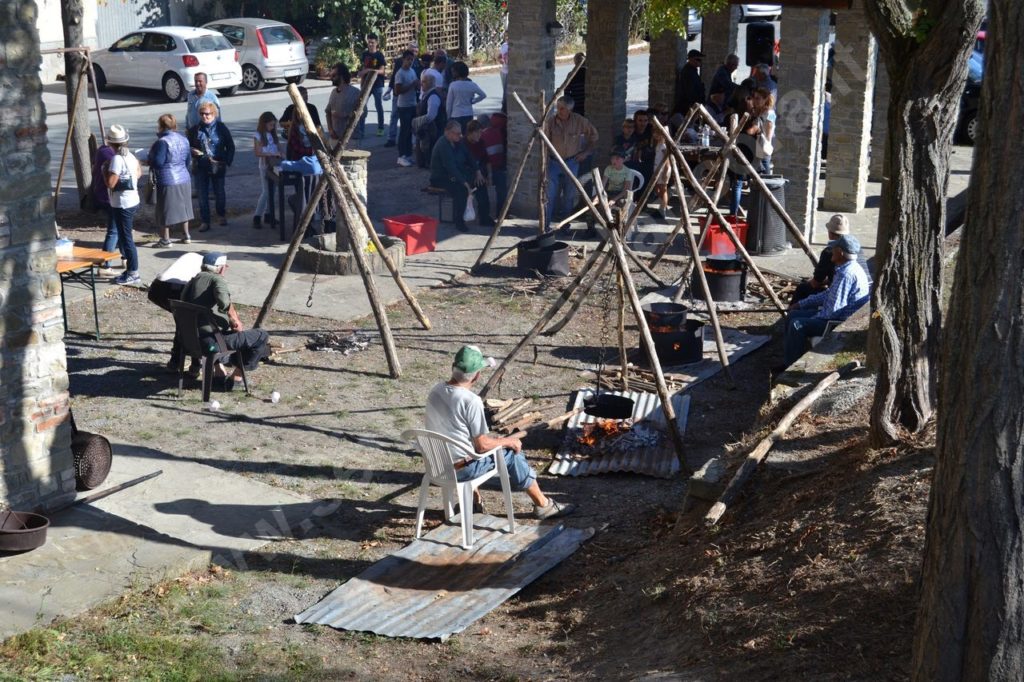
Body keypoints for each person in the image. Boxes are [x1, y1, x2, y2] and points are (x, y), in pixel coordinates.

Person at [424, 345, 576, 520]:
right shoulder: (470, 401)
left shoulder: (436, 390)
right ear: (478, 375)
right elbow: (481, 447)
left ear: (453, 368)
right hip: (461, 470)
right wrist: (508, 441)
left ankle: (474, 502)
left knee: (475, 446)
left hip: (436, 465)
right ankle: (543, 504)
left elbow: (457, 434)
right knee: (513, 453)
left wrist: (497, 440)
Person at [180, 252, 271, 391]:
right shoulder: (217, 279)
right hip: (211, 345)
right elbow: (224, 303)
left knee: (215, 331)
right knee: (261, 336)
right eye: (225, 267)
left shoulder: (192, 281)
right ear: (221, 268)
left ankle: (219, 372)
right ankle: (237, 378)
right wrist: (235, 321)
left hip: (189, 342)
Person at [783, 235, 870, 366]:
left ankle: (791, 365)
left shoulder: (846, 274)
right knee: (793, 315)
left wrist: (815, 316)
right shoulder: (846, 269)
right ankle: (789, 353)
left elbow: (833, 311)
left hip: (837, 322)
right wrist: (800, 304)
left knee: (797, 324)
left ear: (840, 252)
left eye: (834, 248)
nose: (831, 250)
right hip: (830, 315)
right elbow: (828, 294)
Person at [542, 95, 598, 231]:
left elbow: (594, 136)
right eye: (558, 107)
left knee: (569, 196)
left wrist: (585, 153)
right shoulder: (550, 122)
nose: (559, 110)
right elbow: (543, 142)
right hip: (554, 162)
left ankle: (565, 225)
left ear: (569, 110)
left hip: (572, 162)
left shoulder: (579, 121)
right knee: (549, 195)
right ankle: (545, 227)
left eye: (562, 108)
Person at [791, 214, 871, 305]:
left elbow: (815, 284)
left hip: (844, 295)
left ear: (830, 233)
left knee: (802, 289)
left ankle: (790, 315)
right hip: (862, 292)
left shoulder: (830, 252)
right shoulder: (856, 247)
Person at [148, 252, 203, 372]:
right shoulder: (204, 270)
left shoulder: (191, 258)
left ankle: (176, 362)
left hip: (158, 288)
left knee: (183, 325)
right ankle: (193, 364)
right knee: (188, 326)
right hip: (175, 289)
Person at [102, 124, 142, 285]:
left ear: (111, 143)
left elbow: (111, 184)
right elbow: (138, 173)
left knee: (126, 239)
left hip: (122, 203)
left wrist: (105, 171)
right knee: (125, 237)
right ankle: (130, 270)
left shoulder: (116, 159)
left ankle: (133, 272)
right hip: (132, 200)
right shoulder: (130, 156)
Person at [188, 102, 234, 232]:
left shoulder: (221, 128)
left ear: (213, 114)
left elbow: (230, 146)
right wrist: (192, 151)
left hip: (218, 164)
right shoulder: (195, 130)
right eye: (202, 114)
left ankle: (221, 214)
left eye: (207, 114)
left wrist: (226, 161)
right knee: (202, 195)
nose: (204, 116)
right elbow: (188, 145)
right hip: (201, 165)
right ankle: (205, 221)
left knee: (219, 192)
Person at [148, 113, 194, 246]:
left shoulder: (162, 142)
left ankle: (165, 240)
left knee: (164, 210)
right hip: (184, 177)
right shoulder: (184, 139)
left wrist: (149, 158)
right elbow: (188, 160)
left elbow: (158, 162)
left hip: (168, 179)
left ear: (161, 126)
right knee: (184, 208)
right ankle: (186, 235)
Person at [430, 121, 475, 232]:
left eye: (460, 133)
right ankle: (459, 221)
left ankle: (484, 217)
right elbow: (450, 167)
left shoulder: (456, 142)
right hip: (440, 177)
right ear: (448, 133)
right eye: (457, 133)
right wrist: (464, 182)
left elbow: (469, 155)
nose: (460, 136)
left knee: (478, 182)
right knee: (460, 190)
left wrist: (477, 171)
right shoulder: (443, 144)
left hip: (451, 175)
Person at [384, 41, 420, 148]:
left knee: (410, 123)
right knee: (394, 116)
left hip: (412, 98)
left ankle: (412, 142)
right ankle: (392, 138)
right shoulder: (400, 62)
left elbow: (417, 79)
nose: (412, 55)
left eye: (415, 52)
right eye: (411, 51)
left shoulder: (417, 63)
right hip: (400, 97)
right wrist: (390, 89)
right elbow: (395, 76)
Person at [91, 142, 119, 275]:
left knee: (121, 229)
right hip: (110, 198)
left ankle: (125, 257)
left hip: (107, 197)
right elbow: (112, 182)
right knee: (114, 231)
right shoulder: (111, 156)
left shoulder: (103, 151)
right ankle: (105, 265)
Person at [252, 111, 282, 230]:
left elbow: (279, 147)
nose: (272, 127)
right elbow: (257, 152)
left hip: (274, 165)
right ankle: (257, 216)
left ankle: (269, 214)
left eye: (273, 125)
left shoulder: (273, 135)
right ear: (264, 124)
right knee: (266, 191)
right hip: (265, 166)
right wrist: (272, 153)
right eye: (270, 125)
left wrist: (281, 154)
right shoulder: (258, 135)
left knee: (273, 191)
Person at [463, 119, 493, 227]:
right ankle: (483, 217)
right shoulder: (463, 144)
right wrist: (475, 174)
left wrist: (489, 175)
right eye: (478, 132)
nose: (480, 135)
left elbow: (486, 159)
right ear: (471, 132)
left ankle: (484, 216)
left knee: (483, 191)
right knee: (479, 185)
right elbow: (463, 164)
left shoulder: (481, 142)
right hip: (467, 175)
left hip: (480, 174)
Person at [413, 72, 447, 169]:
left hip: (433, 131)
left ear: (430, 83)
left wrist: (417, 121)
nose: (421, 84)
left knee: (429, 153)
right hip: (427, 130)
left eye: (423, 82)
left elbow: (431, 116)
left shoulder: (433, 96)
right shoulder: (427, 94)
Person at [393, 50, 421, 168]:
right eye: (408, 59)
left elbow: (416, 85)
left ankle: (408, 154)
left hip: (412, 103)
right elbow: (397, 91)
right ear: (403, 59)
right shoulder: (400, 73)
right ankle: (401, 156)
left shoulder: (412, 71)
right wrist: (412, 85)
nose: (410, 62)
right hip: (403, 106)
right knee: (404, 131)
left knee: (411, 130)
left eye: (412, 59)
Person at [357, 33, 387, 137]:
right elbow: (363, 68)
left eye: (372, 43)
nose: (370, 45)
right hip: (365, 84)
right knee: (362, 107)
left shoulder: (379, 55)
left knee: (378, 106)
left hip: (377, 84)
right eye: (369, 42)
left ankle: (381, 128)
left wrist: (369, 70)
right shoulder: (365, 54)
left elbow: (382, 71)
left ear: (376, 43)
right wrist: (362, 77)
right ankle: (361, 130)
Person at [325, 63, 362, 144]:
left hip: (351, 139)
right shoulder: (333, 92)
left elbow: (363, 113)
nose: (331, 78)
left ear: (341, 76)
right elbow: (328, 112)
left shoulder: (355, 93)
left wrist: (345, 115)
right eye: (331, 75)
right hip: (335, 138)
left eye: (334, 75)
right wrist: (330, 130)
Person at [480, 111, 508, 218]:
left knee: (482, 191)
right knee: (501, 191)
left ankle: (485, 213)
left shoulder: (482, 135)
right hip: (500, 165)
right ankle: (501, 213)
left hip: (488, 167)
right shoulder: (498, 131)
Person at [445, 61, 486, 132]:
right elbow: (483, 95)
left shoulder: (453, 85)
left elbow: (449, 103)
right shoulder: (471, 84)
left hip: (456, 114)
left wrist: (448, 117)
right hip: (468, 114)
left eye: (453, 71)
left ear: (457, 72)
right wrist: (473, 100)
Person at [745, 87, 777, 174]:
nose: (755, 100)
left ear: (765, 99)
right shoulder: (758, 112)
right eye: (754, 98)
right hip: (755, 148)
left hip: (762, 149)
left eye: (758, 98)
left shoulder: (769, 113)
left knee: (764, 178)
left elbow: (768, 135)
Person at [674, 49, 706, 117]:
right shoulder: (688, 72)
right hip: (687, 106)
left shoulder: (692, 71)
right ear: (690, 59)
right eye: (698, 59)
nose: (700, 62)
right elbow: (689, 91)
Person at [564, 52, 587, 117]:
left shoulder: (571, 75)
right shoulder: (588, 73)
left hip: (576, 105)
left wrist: (569, 106)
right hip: (586, 104)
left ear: (575, 62)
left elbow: (567, 92)